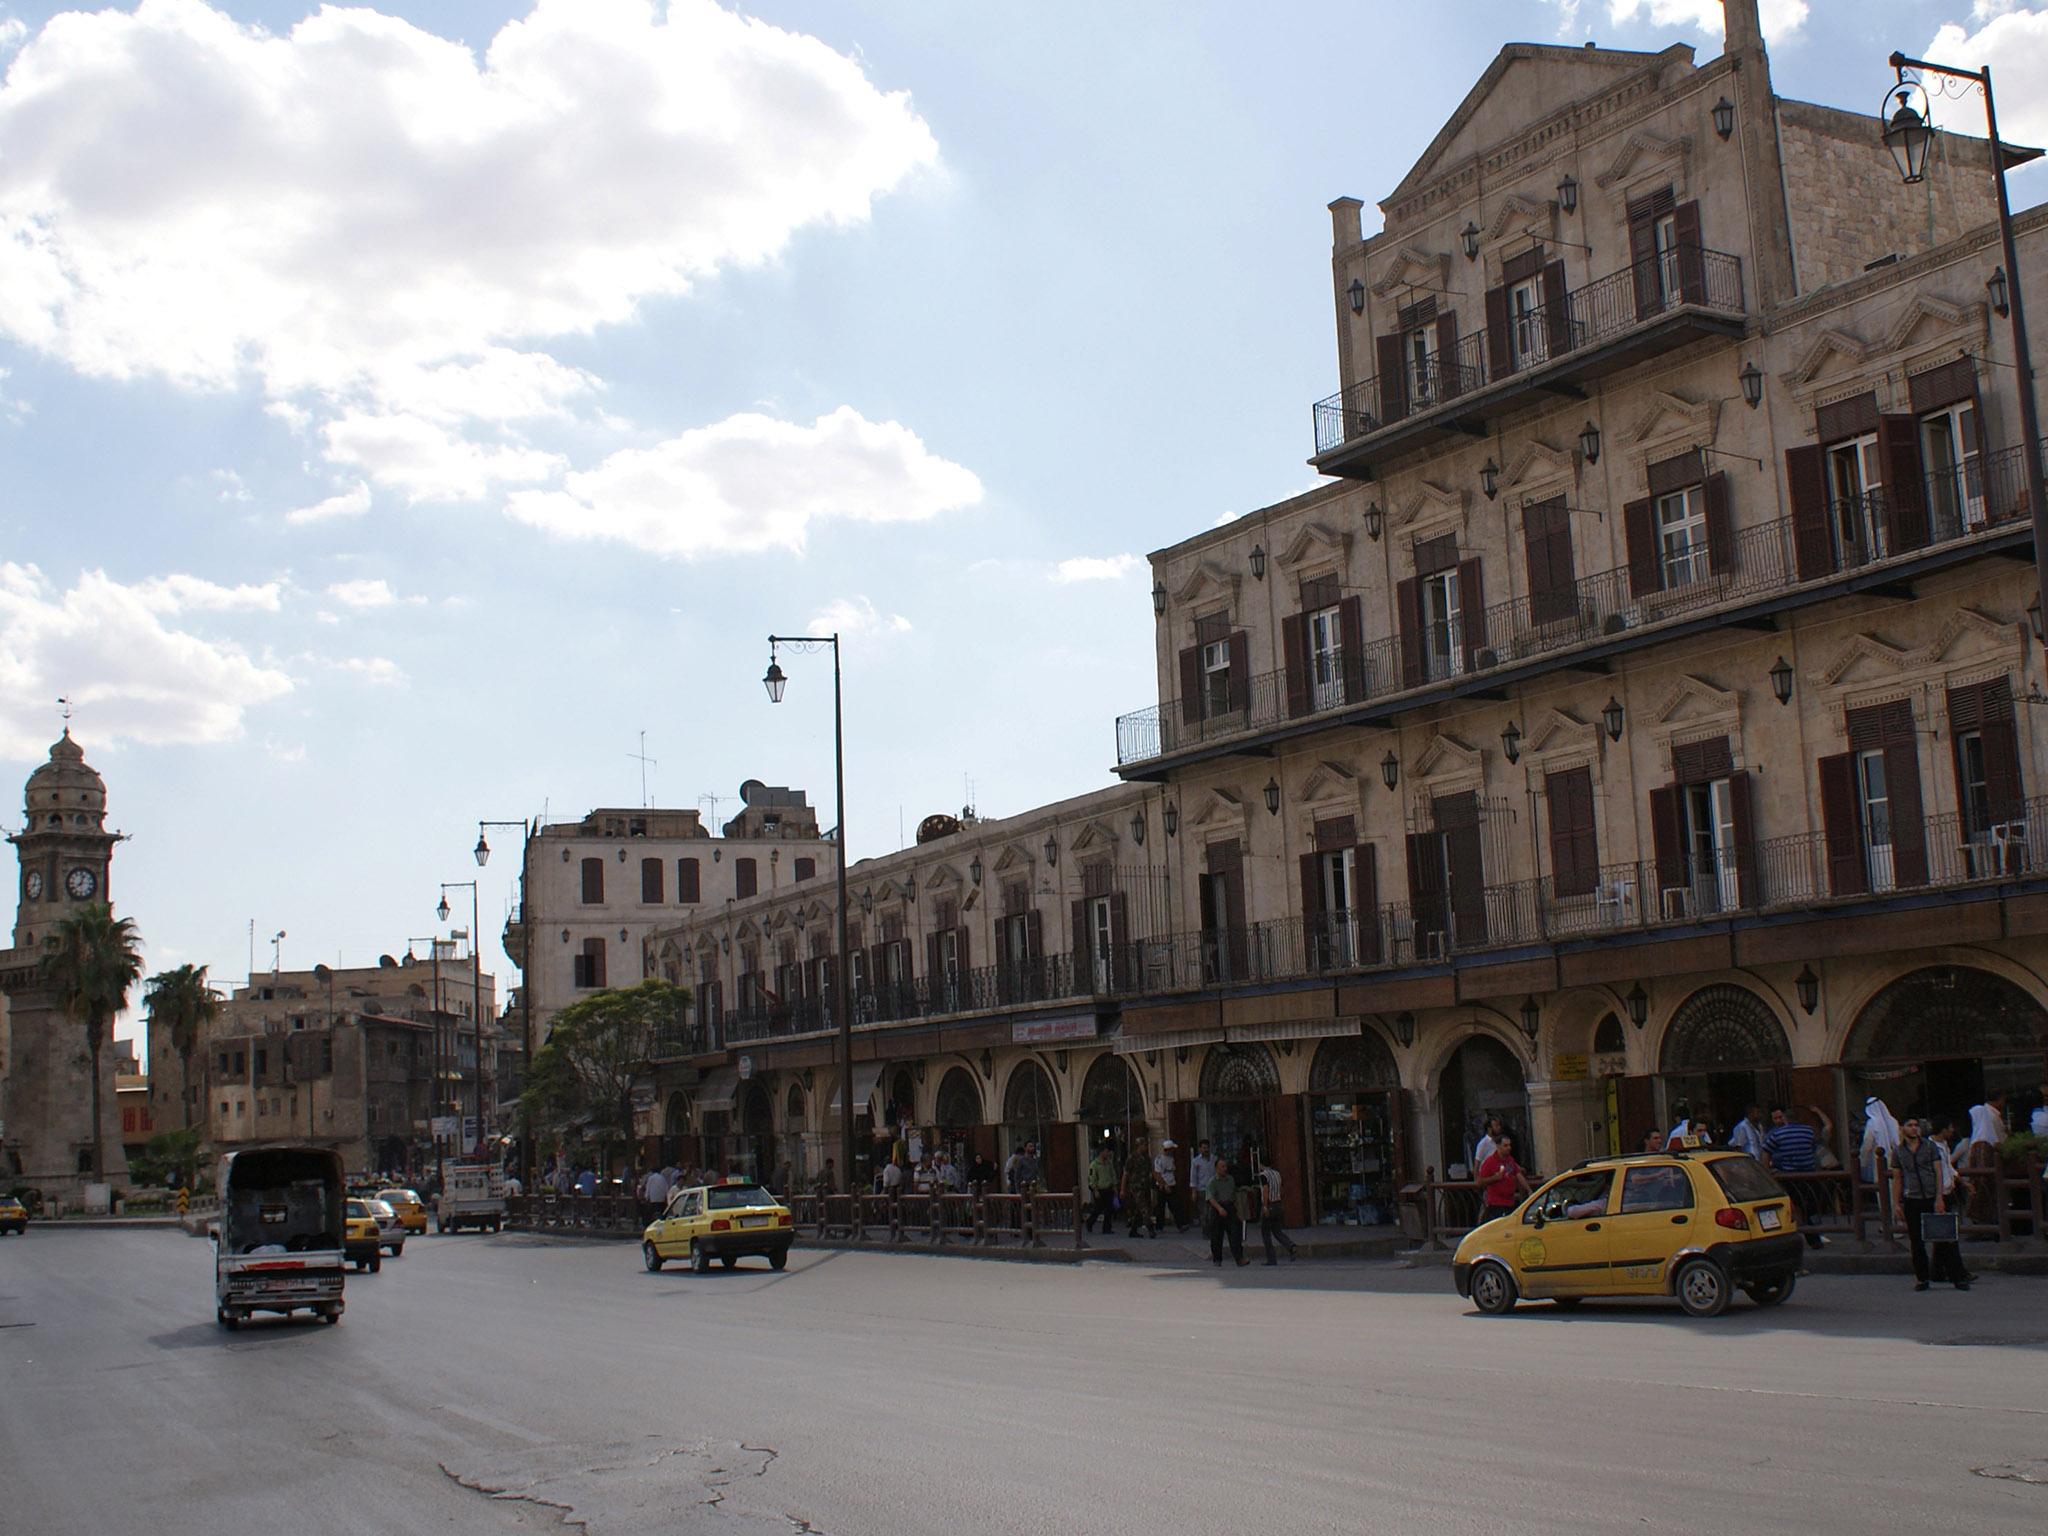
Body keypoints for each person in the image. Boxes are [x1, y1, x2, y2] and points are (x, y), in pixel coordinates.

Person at [1893, 1118, 1969, 1291]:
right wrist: (1896, 1203)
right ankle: (1922, 1278)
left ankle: (1957, 1276)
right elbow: (1897, 1178)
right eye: (1909, 1125)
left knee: (1945, 1237)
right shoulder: (1898, 1152)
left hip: (1931, 1196)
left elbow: (1938, 1172)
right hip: (1912, 1198)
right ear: (1903, 1129)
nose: (1913, 1129)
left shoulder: (1929, 1147)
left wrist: (1939, 1198)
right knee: (1916, 1241)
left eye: (1915, 1126)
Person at [1761, 1106, 1826, 1249]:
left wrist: (1767, 1171)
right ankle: (1814, 1237)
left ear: (1785, 1119)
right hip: (1809, 1174)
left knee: (1796, 1205)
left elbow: (1766, 1150)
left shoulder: (1779, 1134)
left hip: (1789, 1175)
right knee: (1808, 1206)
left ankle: (1808, 1237)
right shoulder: (1808, 1131)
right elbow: (1814, 1148)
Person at [1474, 1132, 1532, 1225]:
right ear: (1498, 1146)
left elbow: (1518, 1174)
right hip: (1496, 1204)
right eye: (1505, 1145)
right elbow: (1479, 1181)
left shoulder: (1510, 1160)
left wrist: (1529, 1190)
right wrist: (1495, 1178)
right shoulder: (1489, 1162)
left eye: (1509, 1145)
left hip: (1510, 1202)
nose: (1509, 1148)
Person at [1256, 1154, 1299, 1265]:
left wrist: (1265, 1206)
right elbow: (1281, 1189)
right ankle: (1290, 1246)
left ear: (1261, 1164)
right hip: (1278, 1204)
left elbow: (1265, 1191)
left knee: (1266, 1233)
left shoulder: (1263, 1175)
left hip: (1269, 1205)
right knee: (1277, 1231)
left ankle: (1271, 1259)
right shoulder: (1277, 1174)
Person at [1205, 1158, 1246, 1266]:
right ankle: (1217, 1259)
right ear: (1216, 1168)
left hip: (1230, 1207)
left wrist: (1239, 1212)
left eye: (1225, 1166)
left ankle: (1239, 1258)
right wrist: (1219, 1208)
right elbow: (1210, 1198)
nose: (1224, 1169)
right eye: (1222, 1167)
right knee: (1216, 1236)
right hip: (1217, 1208)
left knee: (1235, 1234)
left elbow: (1234, 1196)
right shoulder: (1212, 1182)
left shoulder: (1230, 1179)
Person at [1858, 1096, 1902, 1184]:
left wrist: (1861, 1161)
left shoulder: (1872, 1123)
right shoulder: (1893, 1121)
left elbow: (1867, 1145)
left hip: (1878, 1160)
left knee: (1881, 1186)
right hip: (1894, 1158)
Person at [1120, 1139, 1156, 1239]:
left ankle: (1133, 1230)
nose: (1146, 1147)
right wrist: (1122, 1189)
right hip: (1136, 1187)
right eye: (1144, 1145)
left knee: (1139, 1210)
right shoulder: (1132, 1158)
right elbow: (1126, 1174)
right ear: (1139, 1146)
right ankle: (1151, 1228)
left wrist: (1159, 1182)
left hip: (1145, 1186)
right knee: (1144, 1208)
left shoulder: (1147, 1158)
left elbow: (1152, 1171)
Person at [1152, 1139, 1187, 1232]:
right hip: (1163, 1185)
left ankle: (1180, 1224)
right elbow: (1157, 1173)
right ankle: (1159, 1226)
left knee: (1175, 1205)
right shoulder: (1159, 1159)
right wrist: (1164, 1184)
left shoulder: (1171, 1158)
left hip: (1172, 1183)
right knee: (1160, 1207)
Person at [1084, 1146, 1118, 1234]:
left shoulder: (1109, 1163)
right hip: (1099, 1189)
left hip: (1108, 1188)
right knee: (1098, 1209)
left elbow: (1112, 1174)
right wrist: (1095, 1190)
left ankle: (1107, 1228)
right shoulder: (1094, 1165)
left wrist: (1114, 1186)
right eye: (1106, 1152)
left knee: (1109, 1209)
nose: (1107, 1154)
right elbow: (1092, 1178)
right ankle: (1090, 1222)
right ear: (1101, 1152)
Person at [1189, 1141, 1216, 1206]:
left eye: (1207, 1148)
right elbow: (1193, 1177)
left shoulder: (1214, 1159)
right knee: (1203, 1212)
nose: (1206, 1150)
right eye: (1204, 1148)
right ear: (1200, 1149)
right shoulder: (1196, 1161)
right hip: (1202, 1190)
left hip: (1214, 1189)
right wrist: (1194, 1192)